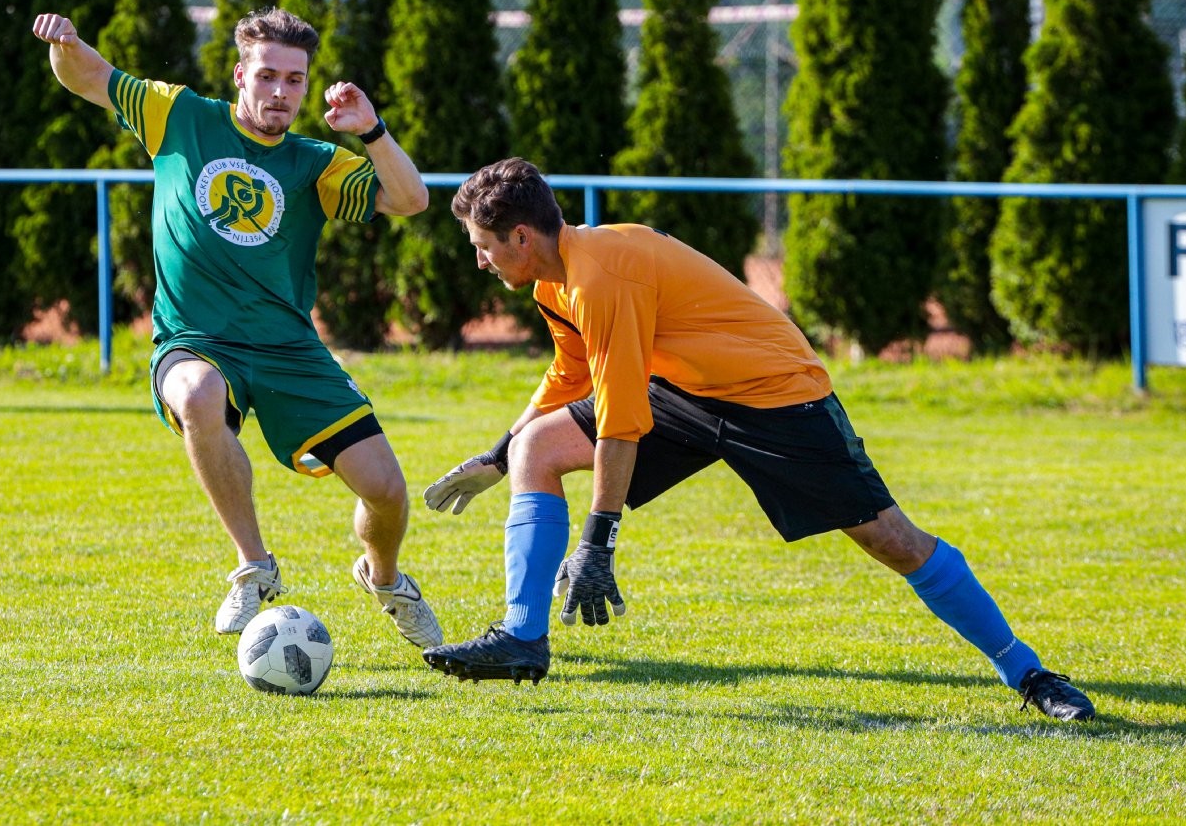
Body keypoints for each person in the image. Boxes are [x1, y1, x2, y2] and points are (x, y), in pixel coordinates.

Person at [419, 157, 1094, 722]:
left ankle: (1028, 673)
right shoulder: (553, 277)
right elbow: (571, 372)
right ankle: (522, 638)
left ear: (521, 237)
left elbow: (621, 420)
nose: (479, 260)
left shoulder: (599, 277)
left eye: (483, 245)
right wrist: (500, 453)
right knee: (538, 448)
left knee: (892, 539)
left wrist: (598, 541)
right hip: (690, 392)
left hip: (778, 395)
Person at [32, 7, 443, 648]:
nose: (281, 92)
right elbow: (86, 76)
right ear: (239, 74)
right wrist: (65, 42)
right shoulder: (181, 115)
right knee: (198, 395)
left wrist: (373, 131)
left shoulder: (315, 163)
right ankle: (253, 567)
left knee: (387, 490)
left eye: (295, 80)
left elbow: (411, 200)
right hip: (193, 340)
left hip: (288, 350)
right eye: (268, 76)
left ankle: (384, 578)